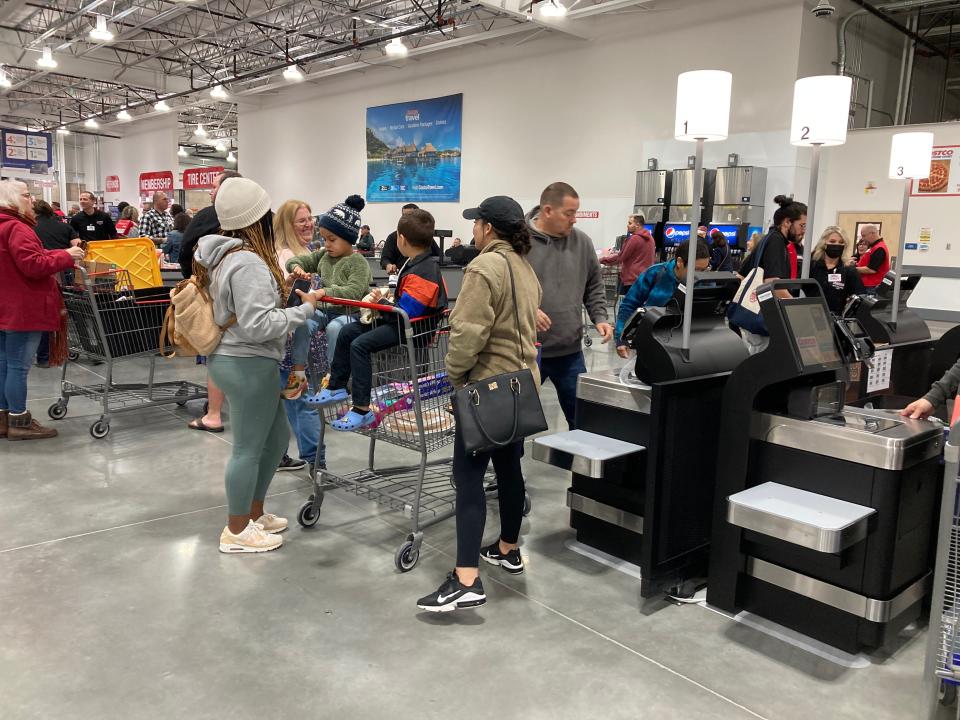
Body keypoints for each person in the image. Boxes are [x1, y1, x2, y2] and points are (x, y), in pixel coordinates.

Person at [417, 196, 542, 612]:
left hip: (485, 389)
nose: (473, 230)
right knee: (509, 469)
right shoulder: (524, 268)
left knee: (468, 478)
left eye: (476, 224)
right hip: (520, 387)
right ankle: (508, 548)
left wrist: (454, 377)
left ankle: (466, 579)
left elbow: (468, 333)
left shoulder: (484, 267)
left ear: (488, 228)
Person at [193, 177, 321, 554]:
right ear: (256, 219)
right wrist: (304, 309)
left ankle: (252, 513)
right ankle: (235, 530)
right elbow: (257, 324)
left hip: (238, 360)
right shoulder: (246, 261)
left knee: (276, 438)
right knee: (248, 448)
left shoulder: (224, 255)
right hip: (247, 362)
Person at [309, 208, 447, 431]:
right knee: (347, 332)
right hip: (399, 322)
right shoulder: (415, 263)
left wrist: (380, 304)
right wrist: (384, 300)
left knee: (360, 345)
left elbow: (407, 313)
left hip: (411, 329)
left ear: (401, 239)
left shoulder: (425, 270)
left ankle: (361, 409)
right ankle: (336, 386)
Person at [0, 181, 85, 440]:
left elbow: (25, 257)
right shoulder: (17, 226)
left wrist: (57, 252)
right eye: (27, 195)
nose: (32, 200)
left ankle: (4, 418)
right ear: (13, 201)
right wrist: (67, 256)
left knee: (4, 364)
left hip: (6, 307)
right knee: (18, 367)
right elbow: (33, 265)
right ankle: (19, 421)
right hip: (25, 308)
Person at [526, 182, 612, 429]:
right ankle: (510, 469)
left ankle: (581, 468)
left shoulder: (582, 243)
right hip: (528, 352)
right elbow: (506, 288)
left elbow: (594, 284)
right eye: (569, 213)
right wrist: (527, 309)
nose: (574, 219)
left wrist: (600, 317)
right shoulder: (519, 242)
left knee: (583, 422)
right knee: (515, 424)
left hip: (570, 352)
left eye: (576, 212)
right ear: (548, 210)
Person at [285, 196, 372, 400]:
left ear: (349, 238)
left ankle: (335, 379)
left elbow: (354, 291)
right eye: (324, 239)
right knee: (302, 322)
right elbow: (298, 260)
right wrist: (295, 267)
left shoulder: (357, 262)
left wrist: (324, 292)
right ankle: (298, 374)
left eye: (332, 239)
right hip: (325, 311)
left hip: (351, 313)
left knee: (335, 329)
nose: (327, 244)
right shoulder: (324, 255)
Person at [180, 169, 241, 434]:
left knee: (218, 351)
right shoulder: (260, 218)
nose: (210, 192)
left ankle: (214, 414)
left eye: (214, 187)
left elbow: (185, 251)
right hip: (248, 297)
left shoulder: (208, 216)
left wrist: (194, 282)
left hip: (214, 295)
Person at [732, 195, 807, 355]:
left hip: (753, 318)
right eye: (802, 225)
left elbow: (740, 275)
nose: (803, 231)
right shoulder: (776, 242)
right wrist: (799, 309)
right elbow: (774, 285)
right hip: (763, 319)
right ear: (787, 222)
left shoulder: (767, 239)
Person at [614, 239, 710, 358]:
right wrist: (621, 338)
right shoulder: (655, 273)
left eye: (705, 269)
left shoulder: (705, 282)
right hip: (652, 342)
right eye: (696, 269)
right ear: (680, 262)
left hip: (691, 344)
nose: (701, 274)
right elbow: (629, 305)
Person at [32, 200, 80, 369]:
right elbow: (78, 246)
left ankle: (44, 356)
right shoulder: (64, 226)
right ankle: (71, 346)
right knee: (71, 310)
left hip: (44, 274)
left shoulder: (30, 229)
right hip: (66, 271)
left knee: (45, 313)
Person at [808, 226, 865, 314]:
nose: (837, 244)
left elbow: (860, 296)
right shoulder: (811, 266)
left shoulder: (849, 271)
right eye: (832, 241)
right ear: (824, 243)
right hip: (810, 315)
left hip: (834, 319)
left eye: (841, 242)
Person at [600, 214, 656, 296]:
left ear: (637, 225)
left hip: (632, 281)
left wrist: (602, 260)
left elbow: (620, 257)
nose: (627, 225)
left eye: (630, 223)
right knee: (638, 307)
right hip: (645, 279)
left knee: (626, 306)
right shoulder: (650, 238)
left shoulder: (634, 239)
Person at [379, 203, 441, 273]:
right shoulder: (393, 237)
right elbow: (385, 258)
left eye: (410, 216)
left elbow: (440, 256)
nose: (406, 220)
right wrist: (388, 265)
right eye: (404, 216)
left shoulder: (425, 236)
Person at [855, 223, 890, 291]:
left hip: (872, 286)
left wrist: (852, 269)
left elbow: (871, 269)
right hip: (868, 284)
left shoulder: (879, 248)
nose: (863, 238)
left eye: (864, 236)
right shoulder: (874, 247)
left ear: (872, 233)